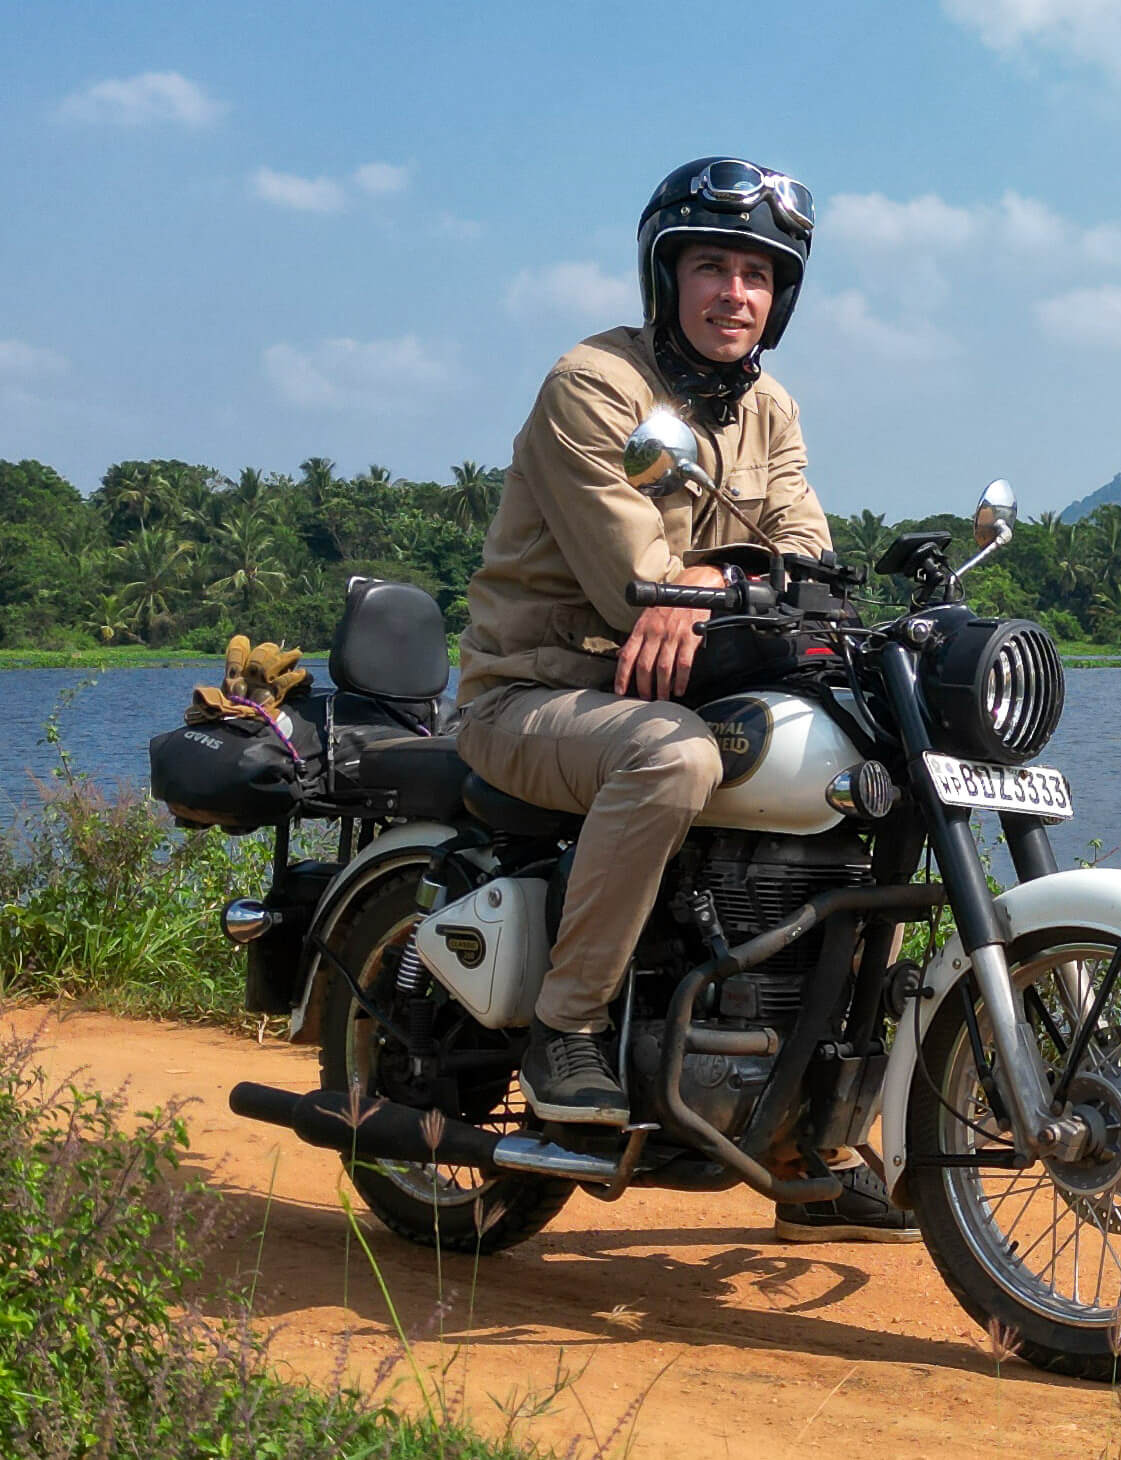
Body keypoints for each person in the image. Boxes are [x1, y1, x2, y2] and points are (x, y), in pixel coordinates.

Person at [456, 158, 917, 1242]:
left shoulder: (770, 406)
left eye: (758, 275)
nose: (734, 294)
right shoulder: (593, 385)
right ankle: (567, 1027)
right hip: (537, 693)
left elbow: (806, 551)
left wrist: (706, 582)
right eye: (711, 266)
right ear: (666, 277)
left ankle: (804, 1134)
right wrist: (702, 584)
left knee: (871, 776)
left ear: (781, 295)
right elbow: (633, 578)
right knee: (670, 756)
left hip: (686, 685)